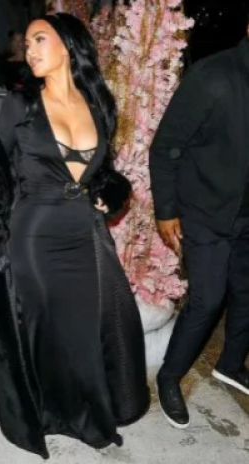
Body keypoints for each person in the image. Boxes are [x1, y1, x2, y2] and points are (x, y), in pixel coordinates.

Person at [0, 13, 150, 458]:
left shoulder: (99, 103)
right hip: (33, 234)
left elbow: (104, 172)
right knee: (43, 328)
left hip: (83, 231)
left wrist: (111, 193)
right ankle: (46, 411)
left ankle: (84, 413)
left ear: (68, 45)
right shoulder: (21, 104)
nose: (29, 50)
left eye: (39, 40)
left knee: (85, 328)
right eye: (27, 43)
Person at [150, 12, 249, 430]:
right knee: (208, 299)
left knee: (246, 292)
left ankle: (230, 364)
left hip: (246, 215)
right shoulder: (213, 75)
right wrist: (166, 210)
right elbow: (166, 146)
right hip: (205, 210)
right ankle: (169, 376)